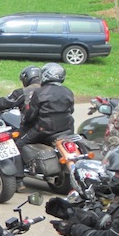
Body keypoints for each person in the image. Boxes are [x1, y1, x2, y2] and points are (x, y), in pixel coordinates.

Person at [0, 65, 42, 193]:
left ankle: (19, 180)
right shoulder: (48, 90)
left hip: (33, 128)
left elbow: (4, 102)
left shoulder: (24, 92)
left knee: (12, 143)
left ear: (26, 78)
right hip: (53, 128)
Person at [15, 62, 75, 192]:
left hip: (44, 129)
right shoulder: (68, 91)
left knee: (18, 144)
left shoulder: (40, 92)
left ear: (46, 75)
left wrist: (24, 121)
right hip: (66, 129)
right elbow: (71, 110)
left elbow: (32, 114)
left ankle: (19, 181)